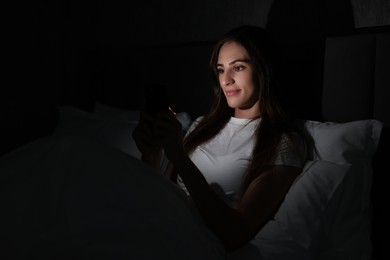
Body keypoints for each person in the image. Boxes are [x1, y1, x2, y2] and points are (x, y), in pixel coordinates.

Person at [132, 25, 310, 251]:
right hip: (155, 227)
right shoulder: (202, 125)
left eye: (238, 67)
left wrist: (181, 159)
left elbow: (236, 232)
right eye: (220, 69)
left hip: (191, 245)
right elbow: (162, 194)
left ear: (263, 70)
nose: (225, 80)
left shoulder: (282, 142)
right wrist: (151, 154)